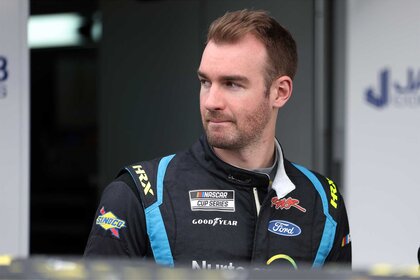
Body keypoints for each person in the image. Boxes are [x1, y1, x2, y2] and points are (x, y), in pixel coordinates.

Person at [84, 9, 351, 270]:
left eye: (232, 84)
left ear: (279, 92)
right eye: (205, 82)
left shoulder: (324, 201)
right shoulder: (139, 193)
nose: (211, 102)